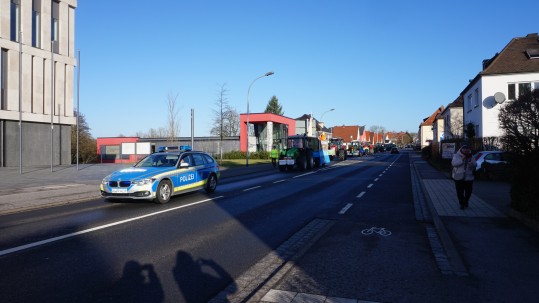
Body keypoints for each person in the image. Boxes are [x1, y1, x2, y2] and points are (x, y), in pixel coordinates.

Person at [451, 144, 477, 209]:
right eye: (464, 149)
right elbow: (454, 164)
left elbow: (475, 165)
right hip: (459, 176)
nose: (466, 150)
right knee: (460, 191)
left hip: (469, 176)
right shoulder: (456, 156)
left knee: (469, 191)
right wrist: (462, 160)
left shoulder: (471, 156)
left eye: (467, 149)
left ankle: (466, 201)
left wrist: (471, 164)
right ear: (461, 149)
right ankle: (462, 204)